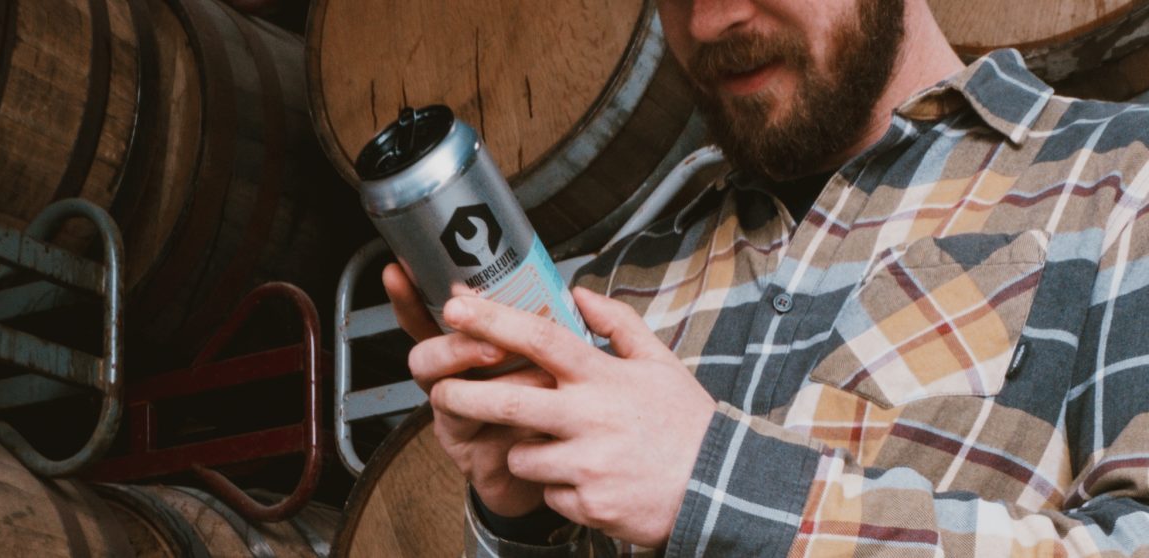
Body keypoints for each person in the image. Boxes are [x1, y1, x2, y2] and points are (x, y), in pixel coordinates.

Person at [384, 0, 1149, 555]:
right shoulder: (619, 289)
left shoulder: (1118, 178)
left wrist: (714, 482)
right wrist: (519, 522)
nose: (710, 21)